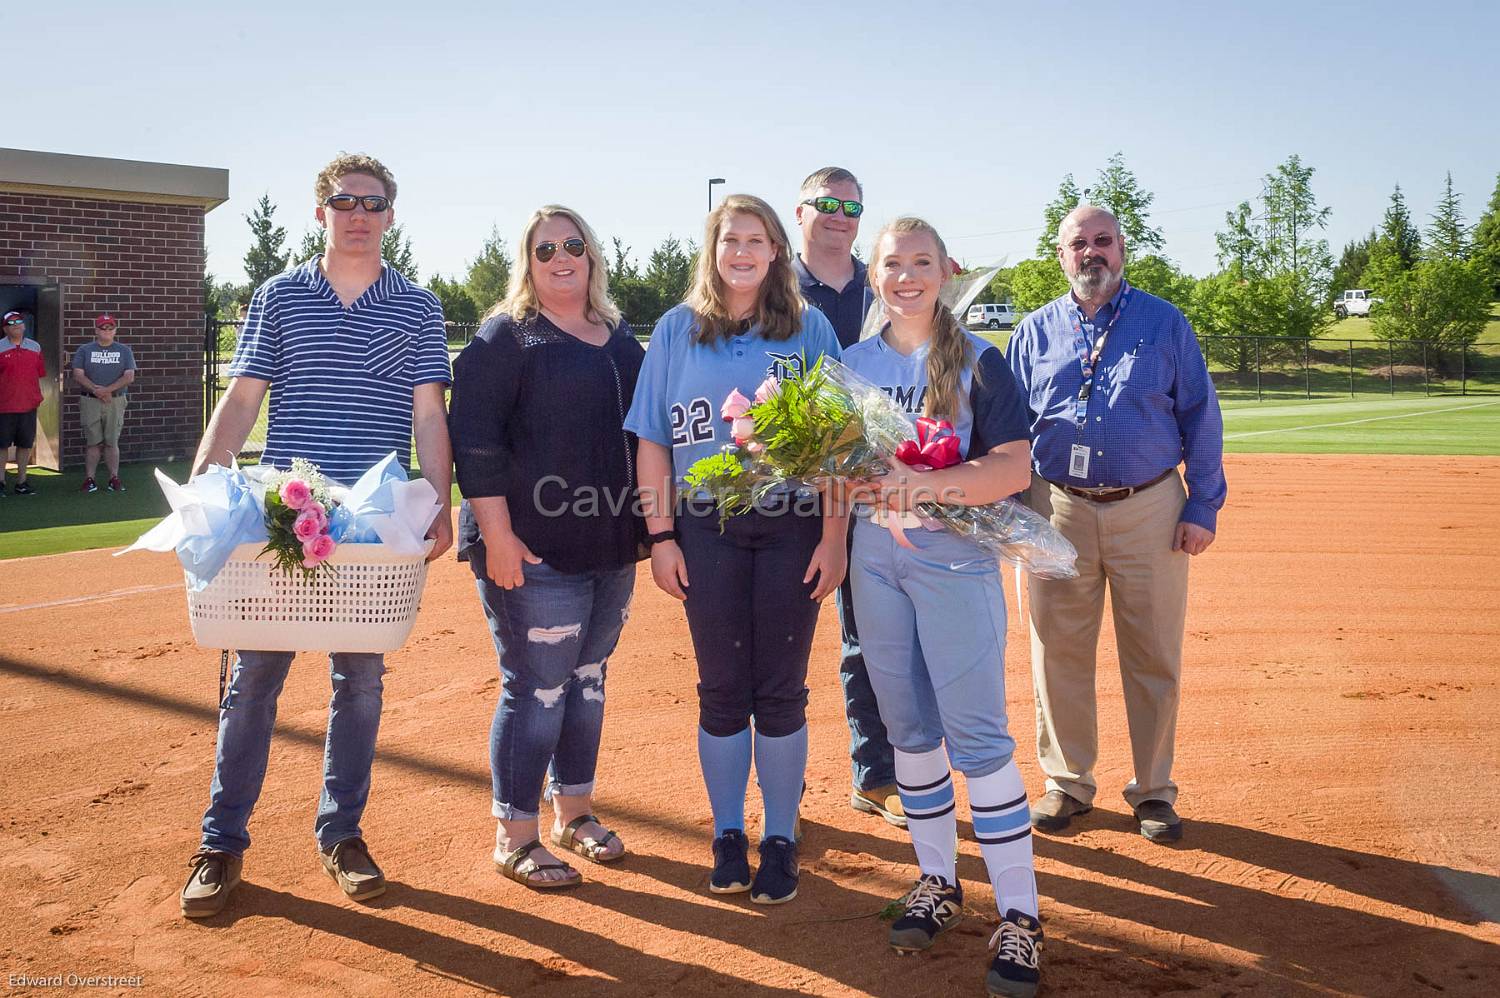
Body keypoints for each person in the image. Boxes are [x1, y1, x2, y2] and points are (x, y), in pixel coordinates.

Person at [178, 153, 454, 919]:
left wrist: (441, 499)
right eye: (344, 201)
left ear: (390, 216)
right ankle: (221, 843)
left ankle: (342, 835)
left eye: (372, 202)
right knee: (253, 683)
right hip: (282, 517)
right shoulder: (278, 295)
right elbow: (241, 401)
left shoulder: (420, 307)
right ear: (322, 212)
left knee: (359, 683)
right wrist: (207, 481)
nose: (358, 213)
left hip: (372, 523)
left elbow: (430, 414)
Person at [625, 194, 845, 905]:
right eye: (730, 240)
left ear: (778, 250)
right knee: (722, 688)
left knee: (779, 690)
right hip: (704, 525)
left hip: (792, 526)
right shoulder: (675, 329)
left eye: (756, 240)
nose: (743, 252)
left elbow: (841, 446)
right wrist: (661, 537)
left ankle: (780, 838)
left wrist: (835, 539)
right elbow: (653, 441)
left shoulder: (810, 329)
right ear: (712, 251)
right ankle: (727, 834)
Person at [843, 218, 1042, 997]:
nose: (907, 276)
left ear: (945, 272)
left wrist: (922, 486)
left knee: (979, 734)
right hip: (875, 558)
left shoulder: (979, 361)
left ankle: (1021, 917)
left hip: (954, 560)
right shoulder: (848, 365)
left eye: (921, 263)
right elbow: (836, 470)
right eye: (893, 263)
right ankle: (937, 882)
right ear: (873, 274)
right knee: (908, 729)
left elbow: (1012, 468)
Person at [1004, 204, 1226, 844]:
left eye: (1103, 241)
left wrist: (1201, 505)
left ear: (1122, 250)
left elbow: (1200, 419)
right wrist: (1012, 512)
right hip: (1055, 507)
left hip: (1149, 506)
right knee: (1056, 652)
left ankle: (1153, 790)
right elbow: (1009, 431)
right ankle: (1067, 783)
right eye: (1080, 244)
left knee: (1153, 652)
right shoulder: (1033, 332)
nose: (1092, 252)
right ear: (1061, 255)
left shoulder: (1164, 323)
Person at [449, 205, 645, 890]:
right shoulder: (506, 338)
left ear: (592, 256)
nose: (560, 258)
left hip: (610, 541)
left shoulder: (620, 339)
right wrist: (498, 536)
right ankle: (515, 835)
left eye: (573, 245)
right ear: (527, 263)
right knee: (537, 689)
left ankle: (575, 813)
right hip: (530, 552)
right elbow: (473, 442)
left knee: (586, 682)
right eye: (544, 250)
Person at [791, 167, 904, 829]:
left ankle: (877, 774)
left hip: (867, 496)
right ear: (799, 211)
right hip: (785, 495)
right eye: (827, 204)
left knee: (871, 640)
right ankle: (782, 790)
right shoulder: (775, 290)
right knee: (777, 645)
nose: (840, 216)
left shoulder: (884, 285)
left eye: (851, 207)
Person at [71, 313, 136, 493]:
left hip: (115, 400)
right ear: (96, 330)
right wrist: (97, 391)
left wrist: (107, 391)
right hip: (90, 400)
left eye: (110, 327)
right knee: (93, 442)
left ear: (115, 330)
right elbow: (78, 374)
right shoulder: (85, 350)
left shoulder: (124, 350)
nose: (106, 331)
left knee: (111, 441)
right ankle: (89, 479)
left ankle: (113, 478)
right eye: (103, 328)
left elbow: (129, 376)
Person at [0, 311, 46, 497]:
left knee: (25, 444)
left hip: (28, 406)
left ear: (25, 325)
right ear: (5, 328)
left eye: (20, 322)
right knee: (1, 446)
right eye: (12, 323)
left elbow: (40, 374)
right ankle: (1, 482)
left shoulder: (35, 347)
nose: (17, 325)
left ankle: (22, 482)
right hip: (3, 407)